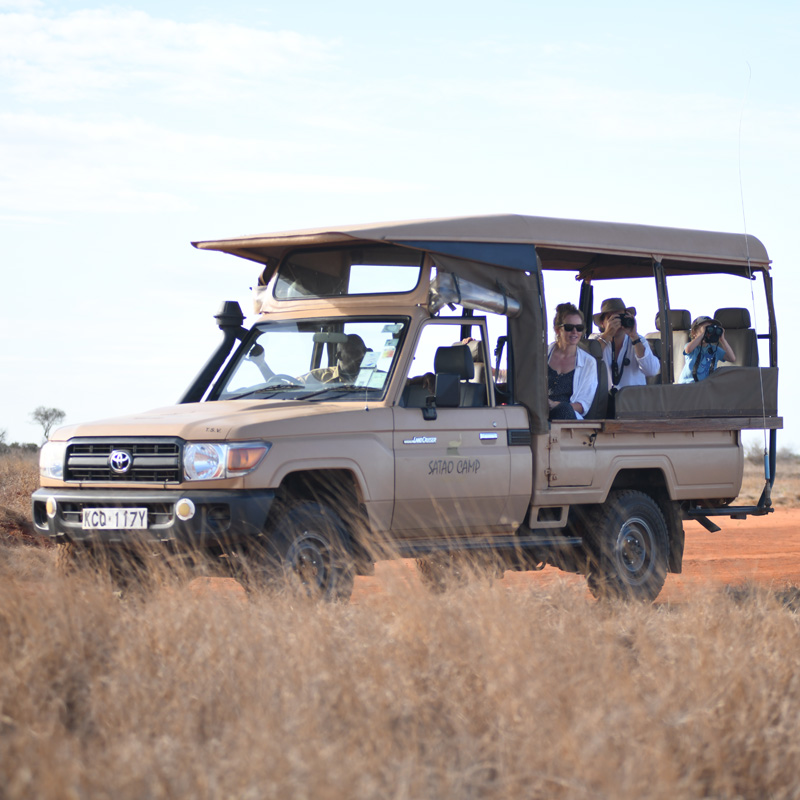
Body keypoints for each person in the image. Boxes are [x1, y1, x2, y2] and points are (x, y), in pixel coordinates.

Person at [590, 297, 660, 391]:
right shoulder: (595, 341)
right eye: (612, 319)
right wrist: (607, 335)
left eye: (620, 317)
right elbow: (587, 364)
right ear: (602, 323)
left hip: (632, 401)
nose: (617, 322)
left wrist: (634, 337)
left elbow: (651, 370)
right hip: (604, 402)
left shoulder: (639, 340)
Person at [547, 303, 598, 420]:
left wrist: (555, 405)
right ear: (557, 330)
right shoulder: (542, 355)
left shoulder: (589, 362)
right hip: (539, 413)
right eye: (569, 327)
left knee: (563, 410)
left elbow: (583, 406)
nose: (575, 332)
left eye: (579, 328)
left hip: (568, 418)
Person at [677, 316, 736, 383]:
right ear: (694, 333)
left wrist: (722, 340)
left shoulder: (714, 349)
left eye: (710, 329)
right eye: (706, 328)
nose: (708, 332)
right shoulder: (691, 346)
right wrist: (702, 334)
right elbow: (688, 350)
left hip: (704, 387)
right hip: (687, 385)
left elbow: (732, 358)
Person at [301, 334, 369, 384]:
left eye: (363, 352)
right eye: (353, 353)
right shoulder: (320, 377)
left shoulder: (375, 377)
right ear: (339, 356)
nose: (361, 356)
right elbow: (294, 386)